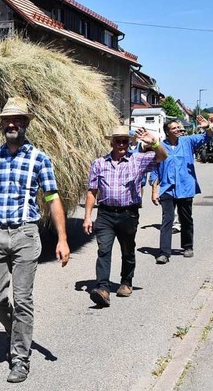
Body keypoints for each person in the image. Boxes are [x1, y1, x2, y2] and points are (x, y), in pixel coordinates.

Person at [0, 97, 70, 383]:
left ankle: (20, 358)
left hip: (25, 234)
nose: (12, 124)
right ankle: (17, 332)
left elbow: (52, 198)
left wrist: (62, 239)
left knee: (22, 299)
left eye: (18, 120)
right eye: (8, 120)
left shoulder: (39, 158)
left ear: (25, 124)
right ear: (1, 125)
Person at [83, 126, 166, 307]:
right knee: (103, 250)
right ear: (111, 142)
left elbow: (161, 157)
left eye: (125, 141)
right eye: (118, 141)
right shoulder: (99, 163)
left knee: (127, 250)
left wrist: (155, 143)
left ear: (129, 143)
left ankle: (126, 282)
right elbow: (92, 191)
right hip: (105, 213)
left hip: (128, 214)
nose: (121, 144)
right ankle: (103, 288)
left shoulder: (138, 160)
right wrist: (88, 216)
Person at [151, 116, 213, 264]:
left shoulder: (188, 141)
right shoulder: (160, 146)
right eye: (174, 128)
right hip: (167, 188)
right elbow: (155, 168)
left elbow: (209, 136)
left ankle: (187, 246)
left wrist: (207, 127)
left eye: (179, 128)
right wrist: (154, 189)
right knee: (167, 220)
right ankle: (164, 253)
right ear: (167, 132)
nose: (178, 130)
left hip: (185, 187)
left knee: (186, 218)